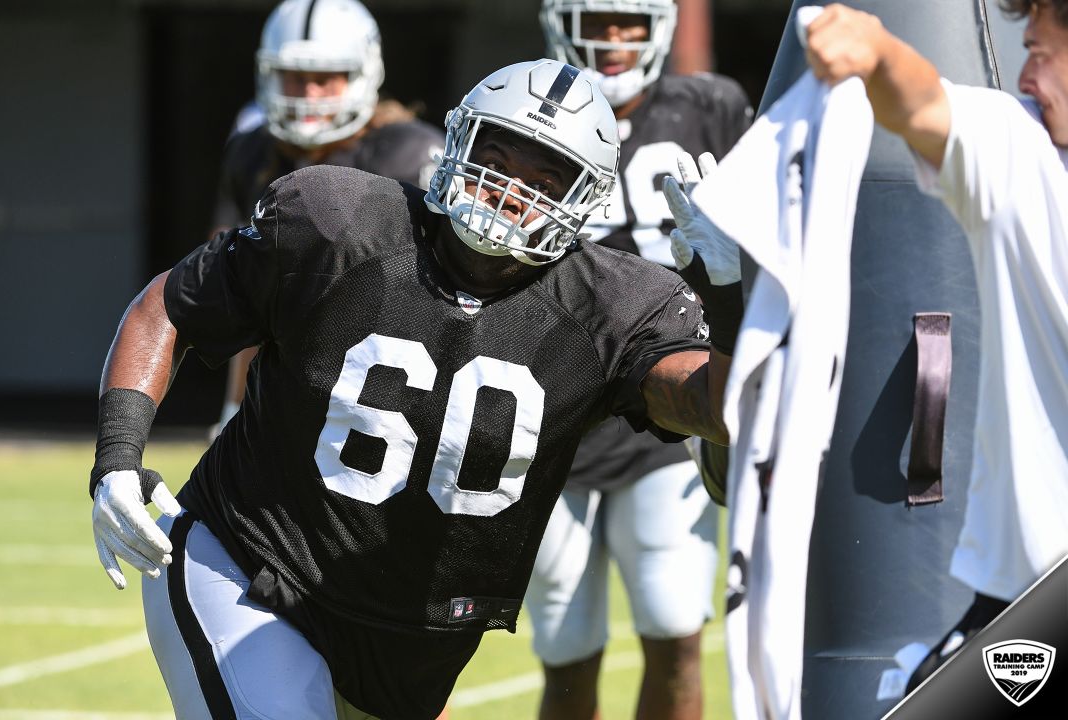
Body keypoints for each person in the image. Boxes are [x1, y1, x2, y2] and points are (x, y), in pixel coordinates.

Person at [89, 58, 736, 719]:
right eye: (499, 157)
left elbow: (720, 408)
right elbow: (169, 306)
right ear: (457, 140)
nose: (511, 190)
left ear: (586, 199)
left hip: (410, 642)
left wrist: (734, 290)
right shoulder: (337, 222)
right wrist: (116, 457)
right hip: (250, 564)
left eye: (546, 178)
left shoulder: (612, 305)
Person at [800, 0, 1068, 691]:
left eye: (1038, 52)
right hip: (1025, 605)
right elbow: (919, 103)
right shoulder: (1023, 157)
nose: (1026, 75)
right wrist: (877, 50)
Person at [527, 2, 752, 718]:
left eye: (629, 21)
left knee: (675, 629)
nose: (614, 39)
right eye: (599, 19)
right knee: (564, 651)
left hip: (671, 411)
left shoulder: (710, 105)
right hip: (553, 411)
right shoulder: (529, 105)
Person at [211, 0, 446, 435]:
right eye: (295, 78)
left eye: (324, 79)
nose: (308, 95)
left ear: (363, 75)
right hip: (291, 389)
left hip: (398, 390)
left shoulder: (408, 153)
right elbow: (238, 294)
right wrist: (235, 408)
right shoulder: (250, 152)